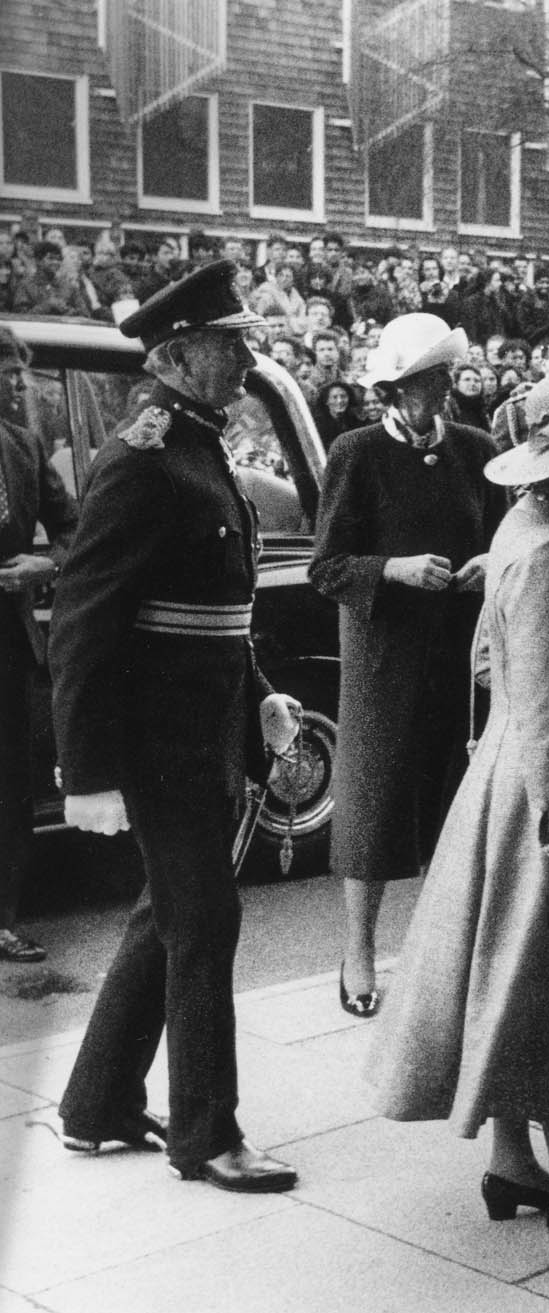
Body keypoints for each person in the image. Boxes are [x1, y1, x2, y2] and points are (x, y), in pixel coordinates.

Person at [369, 362, 549, 1254]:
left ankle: (514, 1162)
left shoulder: (527, 531)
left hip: (516, 790)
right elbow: (541, 727)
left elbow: (493, 669)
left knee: (516, 982)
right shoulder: (548, 551)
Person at [51, 261, 304, 1191]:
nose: (246, 356)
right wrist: (86, 771)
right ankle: (207, 1134)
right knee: (205, 921)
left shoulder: (192, 442)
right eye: (229, 343)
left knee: (170, 915)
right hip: (161, 741)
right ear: (176, 355)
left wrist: (263, 690)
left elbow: (211, 606)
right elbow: (86, 619)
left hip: (204, 724)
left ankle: (97, 1104)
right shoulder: (144, 456)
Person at [311, 313, 506, 1018]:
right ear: (394, 390)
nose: (444, 390)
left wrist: (490, 564)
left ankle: (437, 954)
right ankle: (358, 951)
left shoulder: (478, 450)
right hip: (384, 660)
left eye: (447, 376)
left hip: (457, 659)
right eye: (429, 380)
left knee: (453, 807)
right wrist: (393, 567)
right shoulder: (356, 453)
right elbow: (327, 566)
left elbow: (503, 540)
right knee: (373, 807)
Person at [0, 327, 79, 963]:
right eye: (5, 373)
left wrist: (43, 566)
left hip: (8, 643)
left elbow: (77, 531)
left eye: (18, 373)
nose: (16, 385)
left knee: (9, 789)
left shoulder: (22, 445)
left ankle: (2, 918)